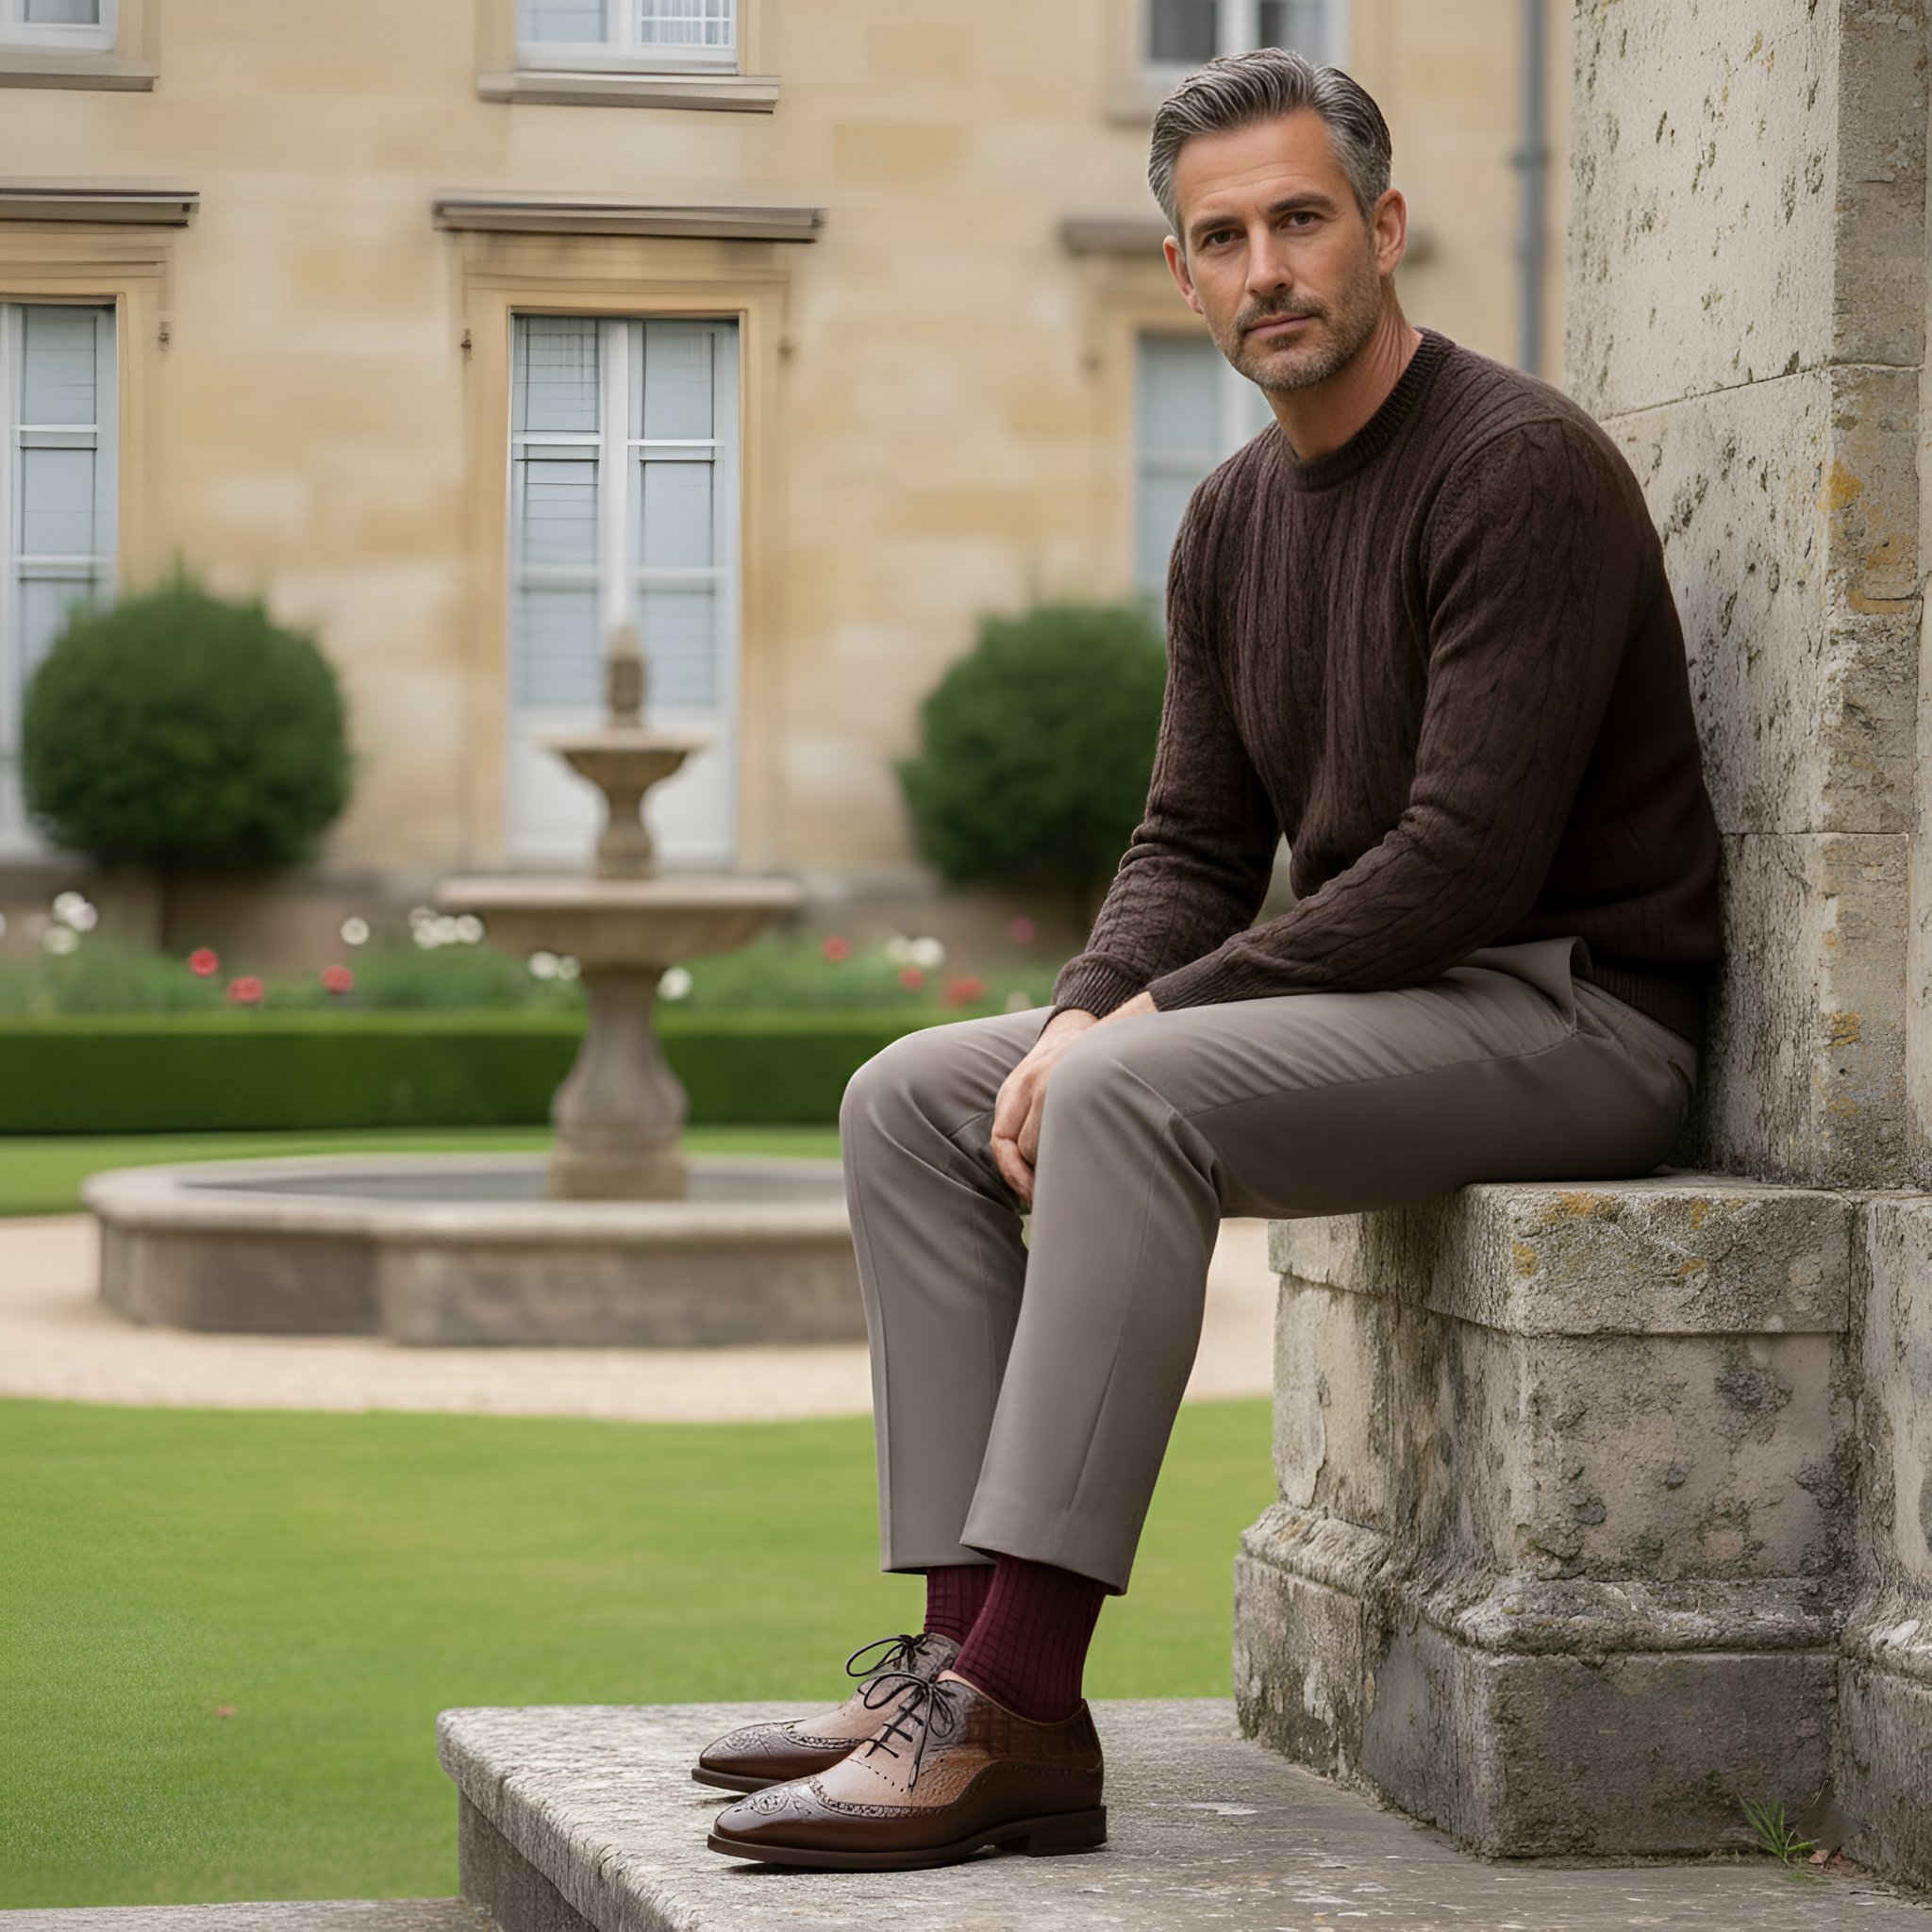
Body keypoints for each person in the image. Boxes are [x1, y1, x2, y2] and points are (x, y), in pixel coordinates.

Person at [699, 46, 1721, 1872]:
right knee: (911, 1096)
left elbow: (1459, 863)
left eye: (1302, 221)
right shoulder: (1232, 522)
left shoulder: (1520, 468)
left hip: (1574, 1008)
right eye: (1223, 235)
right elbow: (1188, 845)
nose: (1266, 269)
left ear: (1385, 229)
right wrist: (1095, 995)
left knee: (1134, 1092)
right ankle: (951, 1662)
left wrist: (1141, 1025)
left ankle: (1019, 1699)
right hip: (1386, 1003)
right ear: (1179, 271)